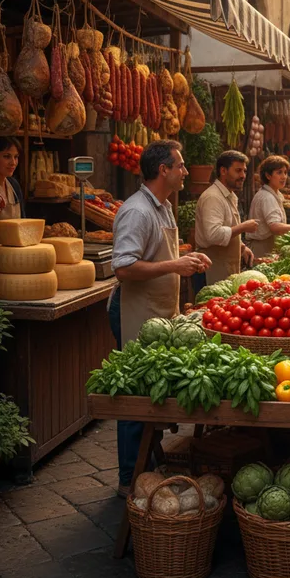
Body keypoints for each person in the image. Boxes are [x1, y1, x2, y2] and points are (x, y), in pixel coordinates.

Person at [111, 140, 211, 496]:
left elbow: (160, 255)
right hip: (136, 311)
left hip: (158, 309)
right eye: (181, 165)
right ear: (163, 170)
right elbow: (122, 267)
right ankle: (128, 479)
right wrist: (175, 265)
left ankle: (147, 467)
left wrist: (189, 257)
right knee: (134, 398)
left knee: (148, 397)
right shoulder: (137, 211)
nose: (185, 171)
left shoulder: (164, 207)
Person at [194, 150, 257, 285]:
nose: (243, 176)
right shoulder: (213, 197)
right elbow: (213, 234)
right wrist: (243, 227)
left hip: (224, 268)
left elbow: (226, 226)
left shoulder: (228, 195)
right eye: (238, 170)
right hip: (210, 269)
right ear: (223, 171)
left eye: (244, 171)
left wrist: (241, 247)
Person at [246, 155, 290, 257]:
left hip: (269, 245)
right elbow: (275, 227)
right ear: (268, 175)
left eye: (285, 172)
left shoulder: (274, 194)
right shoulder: (267, 197)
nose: (284, 176)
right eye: (279, 172)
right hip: (261, 247)